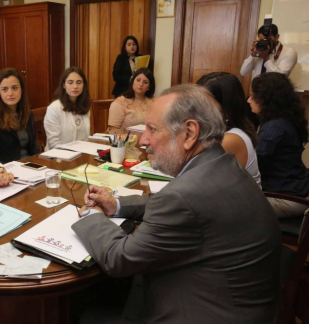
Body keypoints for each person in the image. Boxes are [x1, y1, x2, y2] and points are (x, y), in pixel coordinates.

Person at [72, 84, 281, 323]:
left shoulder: (184, 196)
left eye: (152, 129)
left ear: (190, 133)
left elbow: (119, 258)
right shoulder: (222, 163)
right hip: (245, 302)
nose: (143, 140)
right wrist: (116, 204)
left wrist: (92, 215)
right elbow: (178, 205)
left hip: (208, 311)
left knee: (87, 313)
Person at [248, 72, 309, 218]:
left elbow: (254, 164)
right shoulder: (283, 119)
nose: (248, 100)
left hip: (286, 198)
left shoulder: (275, 127)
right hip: (296, 190)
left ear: (266, 100)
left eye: (252, 96)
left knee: (227, 205)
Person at [197, 72, 261, 186]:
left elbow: (195, 172)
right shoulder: (223, 130)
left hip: (239, 202)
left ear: (226, 106)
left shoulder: (231, 139)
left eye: (205, 103)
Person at [0, 68, 40, 163]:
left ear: (21, 89)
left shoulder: (28, 114)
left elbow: (34, 147)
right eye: (5, 89)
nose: (10, 93)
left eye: (15, 88)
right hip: (7, 170)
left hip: (30, 165)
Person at [43, 67, 91, 150]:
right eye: (70, 82)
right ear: (64, 85)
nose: (75, 86)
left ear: (84, 85)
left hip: (81, 155)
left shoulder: (85, 106)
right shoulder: (54, 108)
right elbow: (54, 144)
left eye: (79, 82)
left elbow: (86, 138)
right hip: (58, 157)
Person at [108, 67, 155, 134]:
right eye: (138, 80)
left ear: (149, 86)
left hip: (150, 141)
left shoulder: (155, 102)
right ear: (132, 81)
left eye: (145, 82)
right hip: (126, 141)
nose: (141, 84)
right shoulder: (120, 102)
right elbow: (113, 130)